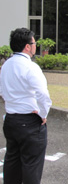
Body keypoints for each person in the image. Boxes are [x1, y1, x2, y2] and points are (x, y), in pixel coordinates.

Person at [0, 28, 52, 184]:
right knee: (31, 166)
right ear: (27, 46)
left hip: (10, 120)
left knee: (12, 161)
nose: (36, 46)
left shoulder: (6, 65)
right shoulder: (30, 67)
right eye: (34, 43)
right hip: (29, 122)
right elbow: (43, 95)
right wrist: (43, 115)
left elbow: (2, 91)